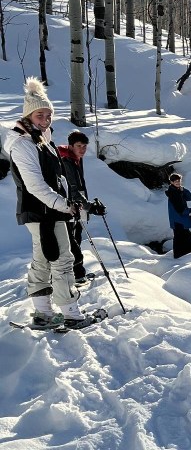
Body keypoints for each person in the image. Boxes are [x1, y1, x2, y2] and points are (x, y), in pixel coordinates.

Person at [3, 77, 88, 328]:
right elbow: (36, 186)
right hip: (44, 210)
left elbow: (54, 177)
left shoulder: (39, 140)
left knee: (42, 259)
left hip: (43, 211)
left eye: (49, 115)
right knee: (62, 258)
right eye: (41, 115)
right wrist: (64, 205)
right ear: (28, 115)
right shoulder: (23, 144)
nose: (46, 120)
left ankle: (43, 313)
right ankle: (71, 313)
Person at [57, 130, 106, 285]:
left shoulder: (76, 159)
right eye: (79, 146)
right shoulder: (66, 160)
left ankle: (77, 273)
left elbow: (78, 187)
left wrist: (85, 205)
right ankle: (76, 276)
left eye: (85, 146)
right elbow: (72, 189)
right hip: (67, 208)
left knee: (76, 238)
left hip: (75, 207)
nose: (82, 149)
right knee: (72, 243)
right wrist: (89, 206)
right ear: (71, 146)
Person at [165, 172, 191, 258]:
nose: (178, 182)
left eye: (179, 180)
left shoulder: (178, 191)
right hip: (178, 219)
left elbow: (189, 197)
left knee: (181, 237)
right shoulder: (173, 193)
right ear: (171, 182)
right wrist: (189, 210)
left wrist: (183, 190)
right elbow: (179, 208)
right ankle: (183, 256)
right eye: (175, 181)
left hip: (179, 219)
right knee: (182, 238)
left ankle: (181, 256)